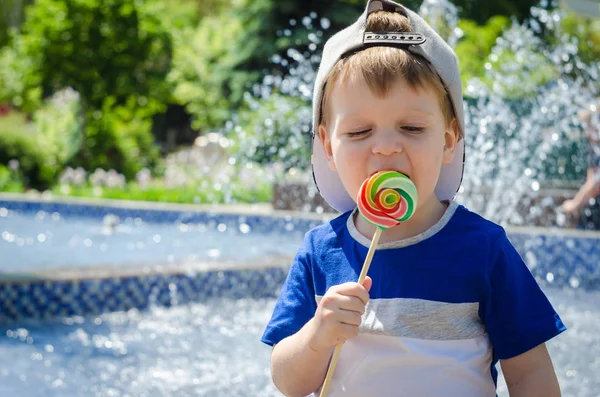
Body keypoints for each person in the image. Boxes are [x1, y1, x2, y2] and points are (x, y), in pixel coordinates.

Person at [261, 1, 566, 396]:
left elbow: (530, 374)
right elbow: (289, 383)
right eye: (358, 132)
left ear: (448, 140)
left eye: (411, 127)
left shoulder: (483, 247)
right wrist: (318, 336)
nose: (386, 147)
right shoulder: (321, 251)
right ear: (328, 147)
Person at [562, 103, 600, 229]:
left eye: (590, 125)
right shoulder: (594, 149)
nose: (586, 131)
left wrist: (574, 204)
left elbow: (595, 183)